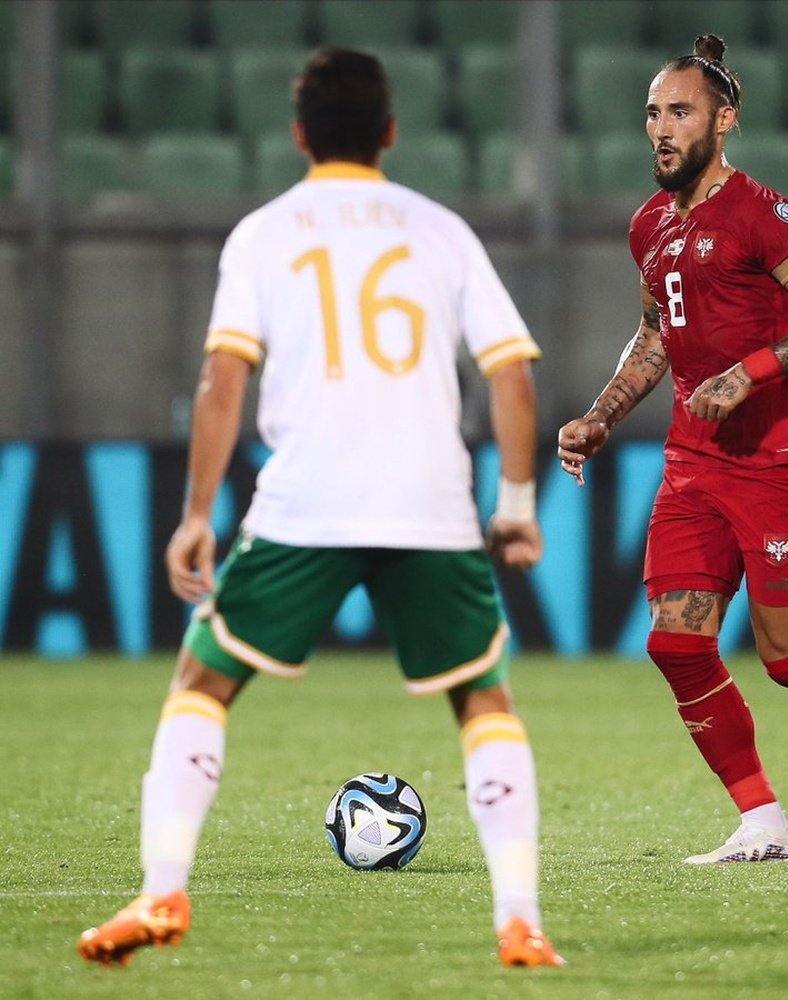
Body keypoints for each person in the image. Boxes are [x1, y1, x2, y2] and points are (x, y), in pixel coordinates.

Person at [78, 49, 562, 968]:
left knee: (204, 680)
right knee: (482, 699)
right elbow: (511, 373)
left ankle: (162, 891)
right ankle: (520, 919)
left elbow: (224, 377)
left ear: (299, 134)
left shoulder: (264, 232)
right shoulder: (441, 230)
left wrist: (194, 515)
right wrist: (517, 503)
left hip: (307, 500)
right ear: (389, 131)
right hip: (429, 500)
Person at [557, 34, 788, 864]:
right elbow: (655, 338)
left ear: (723, 120)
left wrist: (752, 371)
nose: (661, 129)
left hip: (776, 462)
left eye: (680, 112)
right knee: (675, 643)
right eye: (653, 113)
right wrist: (602, 414)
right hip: (693, 465)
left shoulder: (762, 215)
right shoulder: (650, 226)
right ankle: (763, 821)